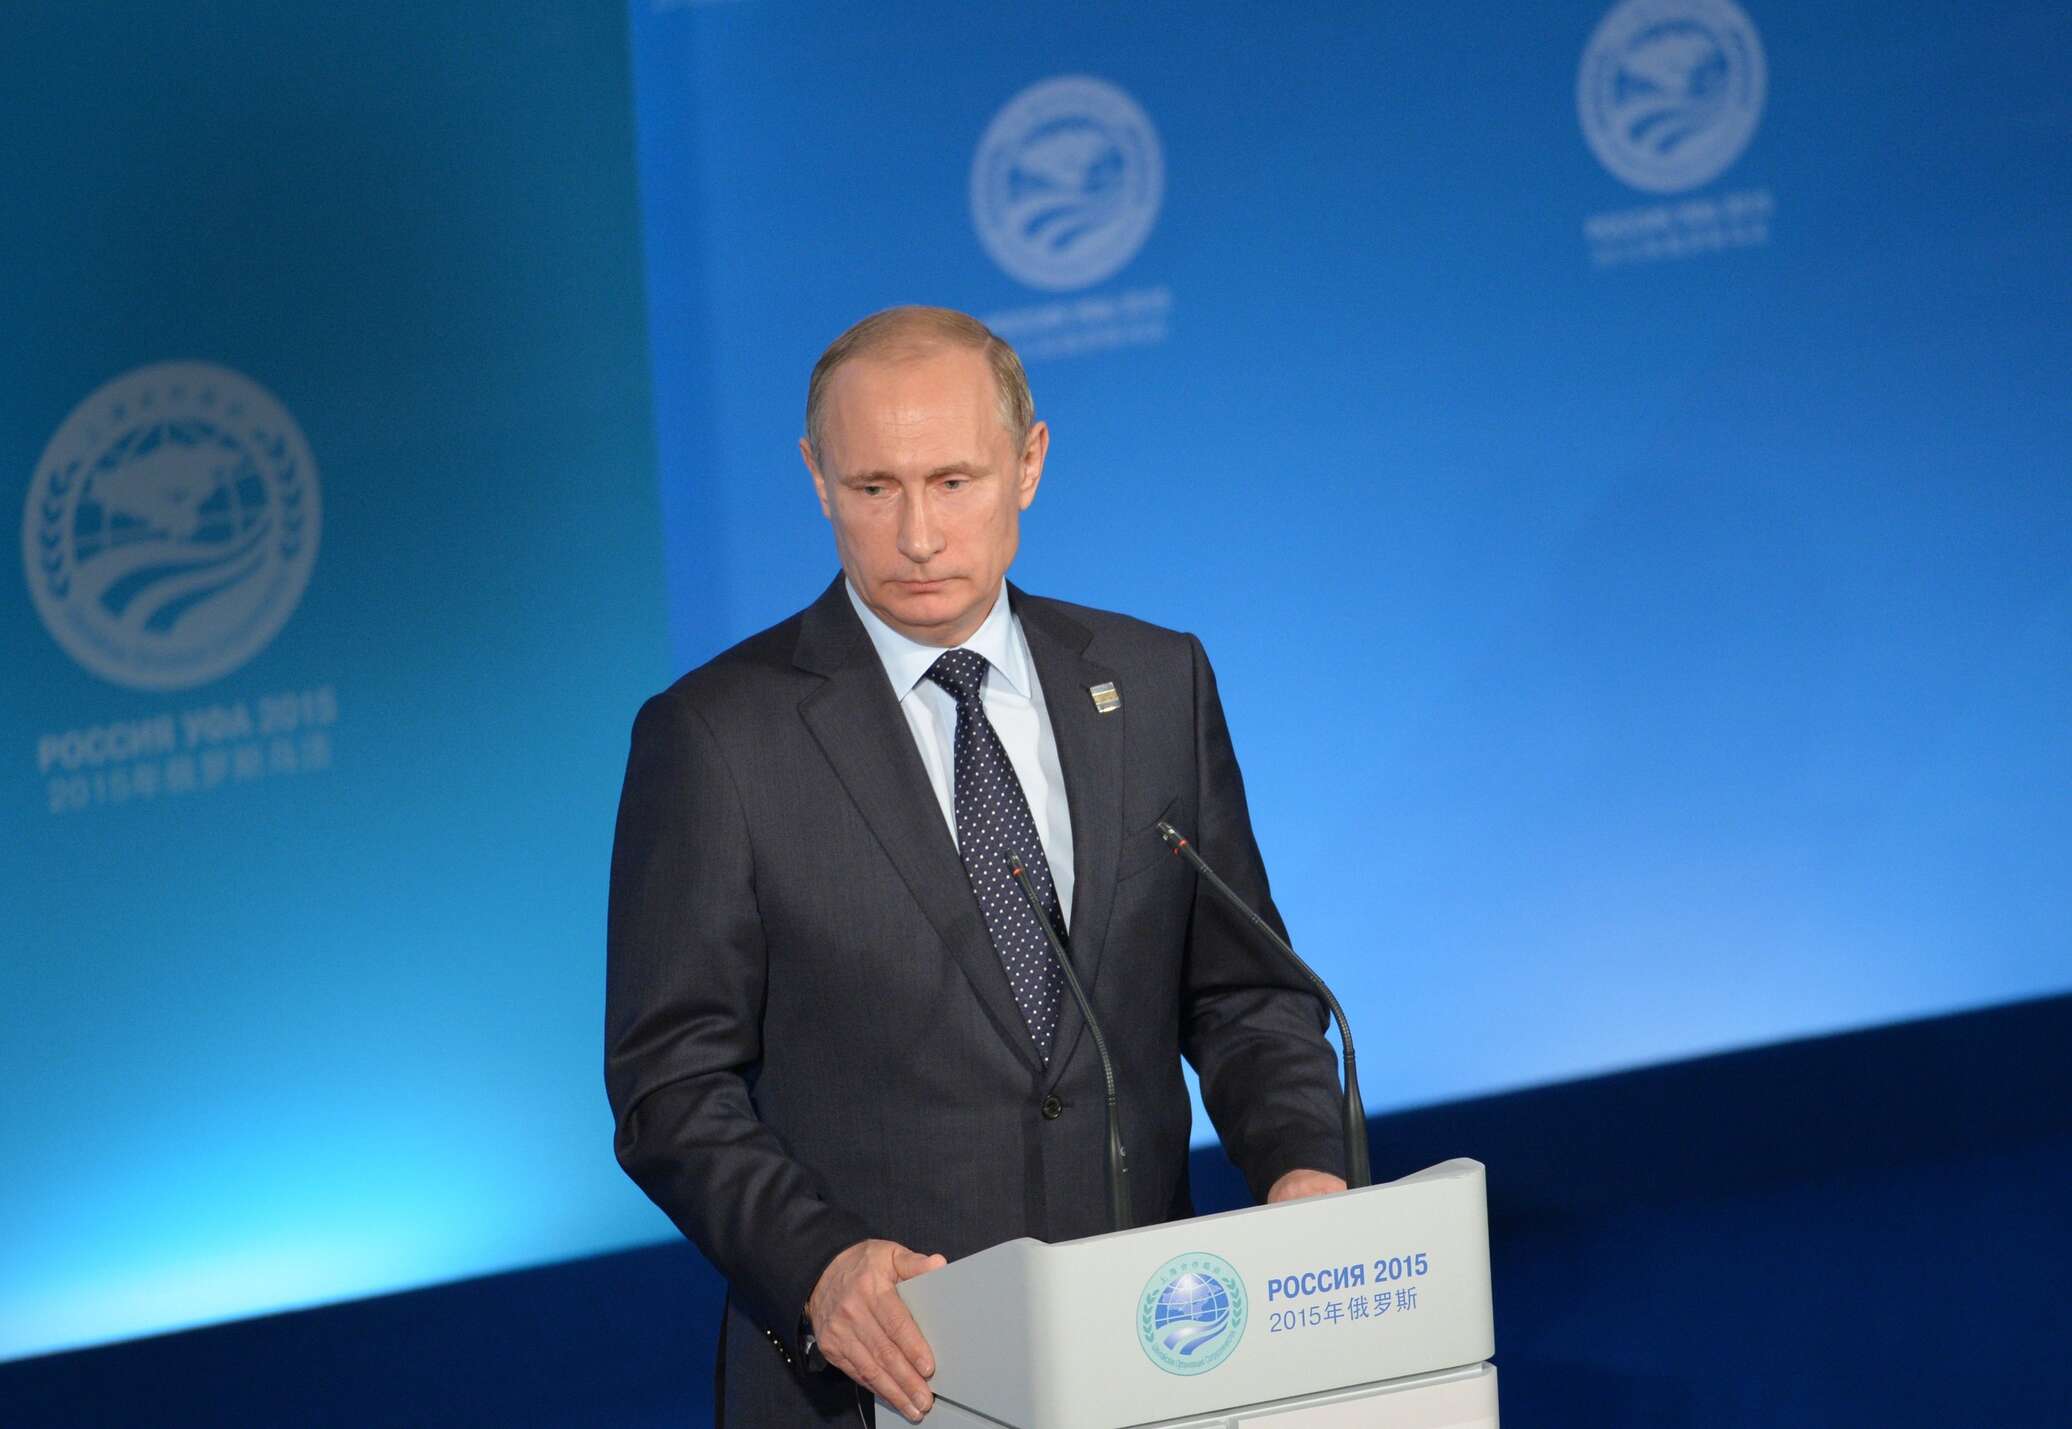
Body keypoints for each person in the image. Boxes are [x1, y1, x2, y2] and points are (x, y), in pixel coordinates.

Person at [606, 306, 1348, 1426]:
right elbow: (669, 1083)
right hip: (884, 1376)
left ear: (1029, 464)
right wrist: (819, 1265)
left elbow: (1246, 995)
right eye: (874, 487)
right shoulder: (716, 738)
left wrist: (1304, 1169)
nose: (917, 535)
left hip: (1151, 1348)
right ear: (815, 478)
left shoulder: (1154, 684)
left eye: (953, 482)